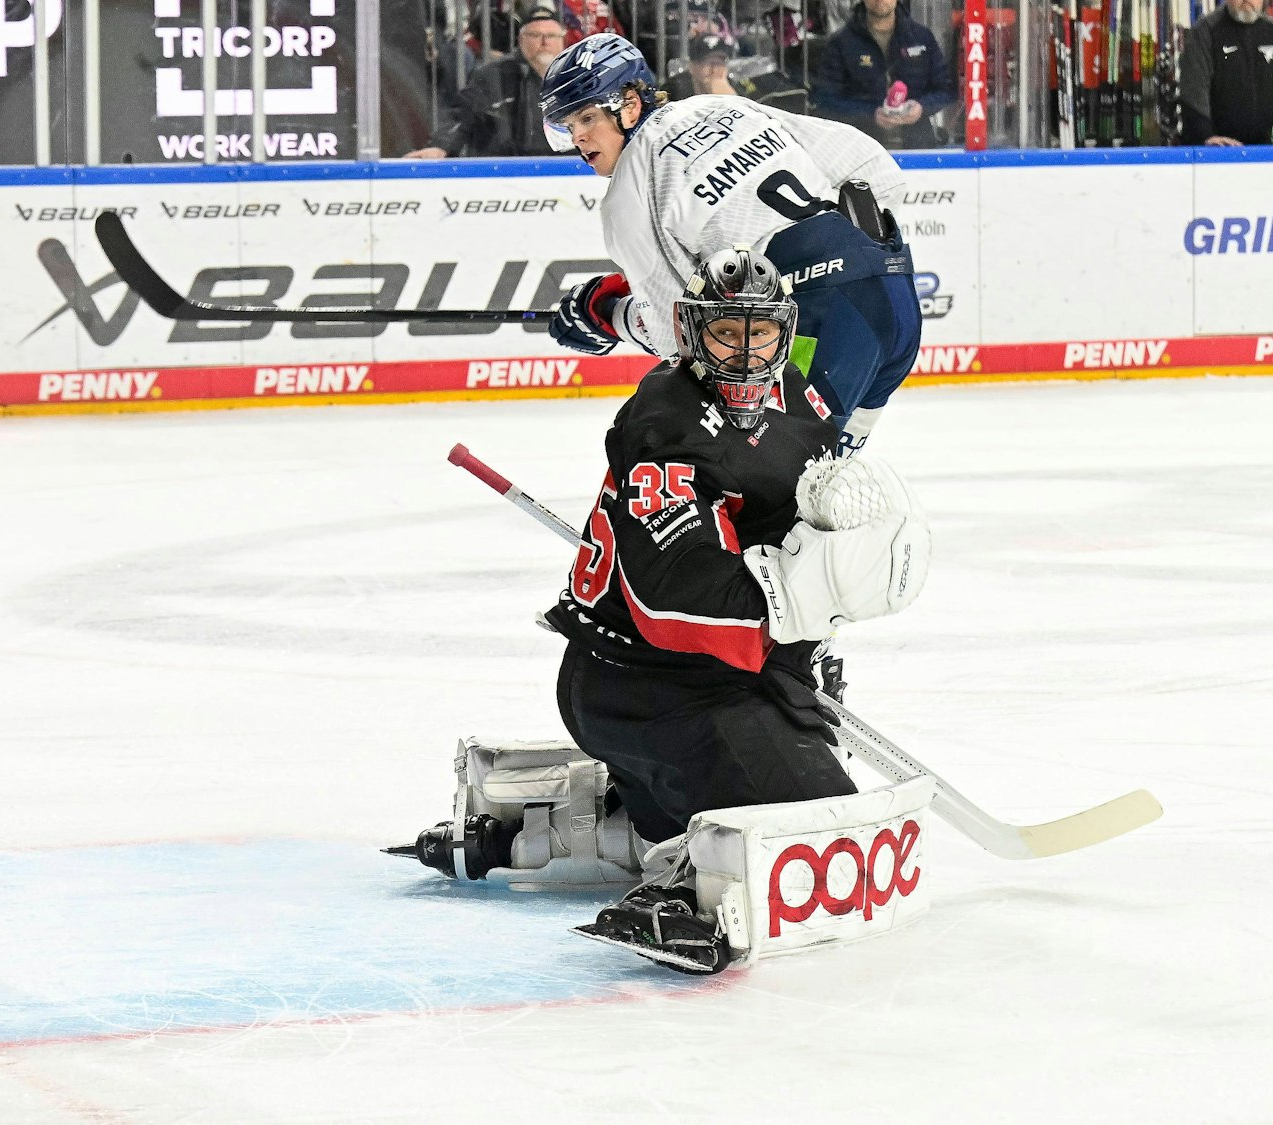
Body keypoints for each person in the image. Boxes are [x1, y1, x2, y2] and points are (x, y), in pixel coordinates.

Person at [387, 248, 930, 972]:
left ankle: (589, 826)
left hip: (712, 680)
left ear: (782, 332)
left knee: (804, 798)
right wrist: (813, 596)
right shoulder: (667, 425)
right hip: (641, 684)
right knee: (814, 830)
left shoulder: (797, 400)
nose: (743, 352)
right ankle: (682, 890)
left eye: (759, 334)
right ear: (690, 331)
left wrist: (820, 598)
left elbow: (790, 530)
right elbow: (678, 605)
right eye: (724, 334)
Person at [541, 33, 921, 453]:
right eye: (569, 125)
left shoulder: (627, 195)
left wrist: (611, 316)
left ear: (629, 105)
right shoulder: (722, 106)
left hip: (819, 330)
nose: (578, 137)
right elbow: (878, 171)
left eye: (587, 118)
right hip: (896, 298)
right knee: (828, 485)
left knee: (768, 492)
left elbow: (680, 340)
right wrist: (849, 260)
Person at [406, 8, 574, 158]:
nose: (544, 42)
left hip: (568, 169)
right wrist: (441, 147)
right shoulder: (493, 75)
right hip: (506, 170)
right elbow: (462, 115)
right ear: (521, 39)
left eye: (551, 36)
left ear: (562, 41)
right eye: (535, 35)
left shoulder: (577, 77)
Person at [1178, 0, 1273, 147]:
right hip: (1216, 153)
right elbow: (1193, 92)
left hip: (1264, 152)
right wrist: (1206, 136)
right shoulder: (1206, 32)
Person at [810, 0, 955, 149]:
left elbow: (946, 89)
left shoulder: (921, 37)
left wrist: (921, 107)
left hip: (918, 147)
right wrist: (871, 114)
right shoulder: (841, 42)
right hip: (861, 149)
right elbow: (824, 100)